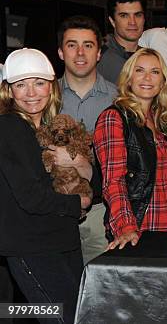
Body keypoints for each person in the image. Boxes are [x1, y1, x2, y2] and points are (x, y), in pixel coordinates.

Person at [0, 48, 92, 324]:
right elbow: (31, 197)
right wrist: (79, 203)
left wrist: (80, 168)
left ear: (51, 87)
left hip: (61, 238)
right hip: (31, 245)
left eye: (39, 83)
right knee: (62, 317)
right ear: (9, 90)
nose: (31, 92)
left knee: (71, 314)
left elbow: (89, 175)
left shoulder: (50, 127)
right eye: (21, 85)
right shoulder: (9, 127)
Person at [93, 48, 167, 249]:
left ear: (163, 82)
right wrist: (126, 227)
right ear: (128, 79)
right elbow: (113, 181)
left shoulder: (161, 123)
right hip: (138, 228)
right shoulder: (114, 118)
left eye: (155, 72)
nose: (147, 77)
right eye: (139, 70)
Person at [57, 15, 117, 264]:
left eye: (88, 45)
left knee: (101, 289)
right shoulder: (42, 97)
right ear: (61, 52)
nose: (80, 53)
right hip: (55, 210)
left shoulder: (118, 99)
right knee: (60, 292)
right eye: (72, 45)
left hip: (101, 212)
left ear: (99, 53)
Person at [99, 0, 147, 84]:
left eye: (138, 15)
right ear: (112, 21)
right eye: (124, 16)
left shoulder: (148, 57)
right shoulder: (98, 55)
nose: (132, 22)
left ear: (144, 19)